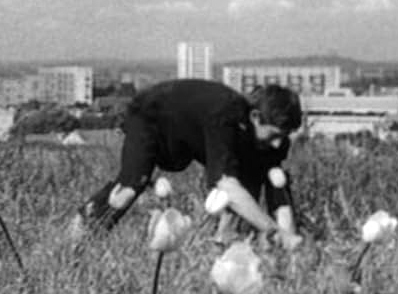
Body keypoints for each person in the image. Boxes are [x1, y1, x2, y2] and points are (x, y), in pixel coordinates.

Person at [80, 79, 303, 248]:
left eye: (285, 135)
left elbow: (278, 195)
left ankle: (223, 244)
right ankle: (77, 240)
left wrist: (290, 241)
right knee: (127, 191)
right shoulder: (225, 117)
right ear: (255, 117)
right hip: (151, 116)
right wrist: (275, 232)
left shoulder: (274, 142)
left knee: (252, 172)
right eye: (274, 134)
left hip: (189, 134)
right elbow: (227, 187)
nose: (279, 144)